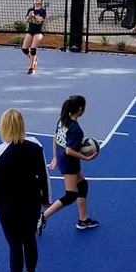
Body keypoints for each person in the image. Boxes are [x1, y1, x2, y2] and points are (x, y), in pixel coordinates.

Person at [0, 109, 50, 272]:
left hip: (9, 204)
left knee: (14, 244)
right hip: (32, 200)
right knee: (29, 239)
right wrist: (46, 198)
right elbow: (43, 175)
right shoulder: (36, 145)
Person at [38, 95, 99, 233]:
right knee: (70, 195)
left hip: (63, 158)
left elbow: (55, 137)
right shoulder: (76, 130)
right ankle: (43, 217)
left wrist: (54, 157)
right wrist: (86, 158)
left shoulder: (63, 120)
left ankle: (83, 220)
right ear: (80, 109)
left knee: (82, 185)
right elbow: (70, 150)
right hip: (69, 161)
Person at [22, 0, 46, 74]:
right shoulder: (30, 10)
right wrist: (29, 16)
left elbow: (39, 21)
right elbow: (26, 20)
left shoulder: (43, 11)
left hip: (39, 31)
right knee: (24, 49)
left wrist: (34, 16)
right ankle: (34, 58)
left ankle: (32, 67)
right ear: (33, 1)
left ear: (41, 2)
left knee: (33, 49)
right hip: (30, 31)